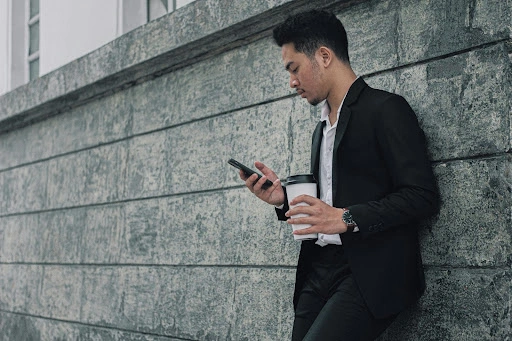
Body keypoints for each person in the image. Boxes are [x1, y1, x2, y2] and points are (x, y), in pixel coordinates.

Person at [237, 10, 439, 341]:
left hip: (368, 272)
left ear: (324, 56)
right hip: (318, 268)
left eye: (294, 68)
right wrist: (282, 199)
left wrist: (346, 218)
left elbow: (422, 195)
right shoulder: (322, 128)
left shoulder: (386, 109)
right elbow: (329, 199)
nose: (291, 82)